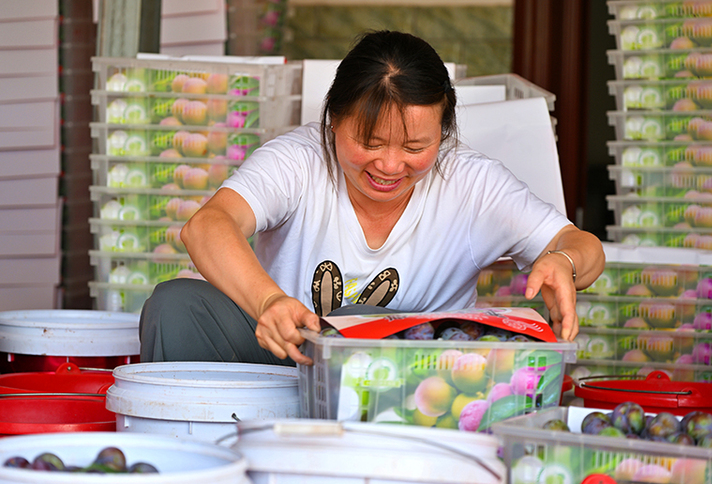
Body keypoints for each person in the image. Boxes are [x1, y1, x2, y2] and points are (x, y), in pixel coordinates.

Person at [139, 30, 605, 367]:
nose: (389, 165)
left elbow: (583, 246)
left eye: (415, 148)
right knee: (177, 305)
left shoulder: (471, 182)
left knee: (357, 322)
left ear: (442, 136)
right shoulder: (299, 158)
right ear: (333, 122)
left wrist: (563, 260)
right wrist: (267, 304)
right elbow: (207, 225)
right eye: (372, 142)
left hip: (403, 380)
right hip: (279, 356)